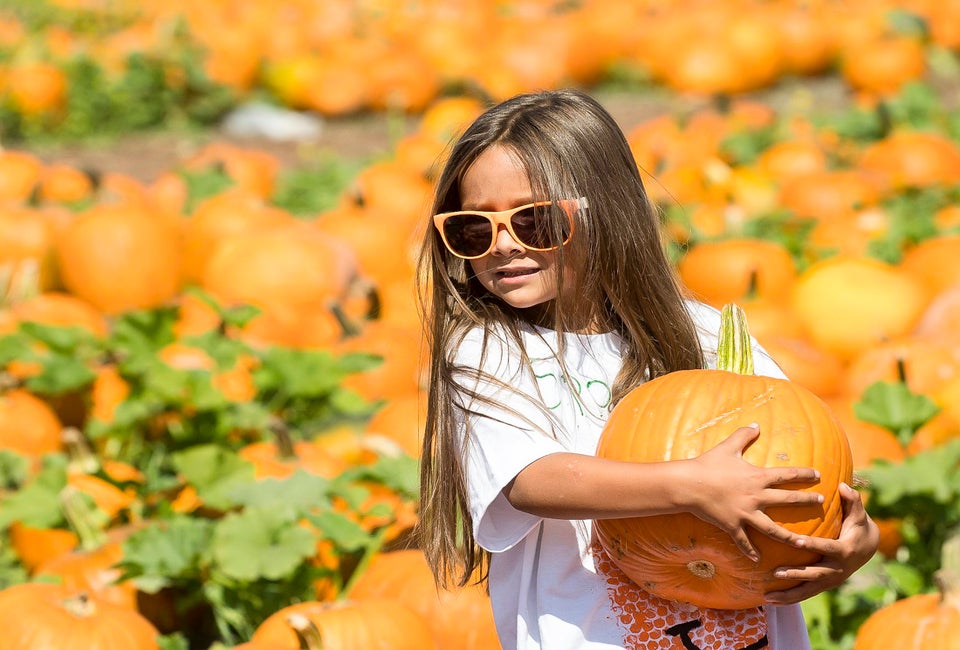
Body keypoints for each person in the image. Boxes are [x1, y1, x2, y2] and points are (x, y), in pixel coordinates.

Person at [414, 88, 879, 650]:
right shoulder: (487, 351)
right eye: (473, 229)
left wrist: (855, 535)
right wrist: (690, 487)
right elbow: (531, 480)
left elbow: (804, 453)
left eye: (533, 221)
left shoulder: (703, 333)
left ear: (605, 212)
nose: (503, 246)